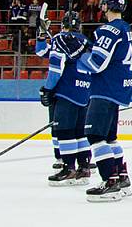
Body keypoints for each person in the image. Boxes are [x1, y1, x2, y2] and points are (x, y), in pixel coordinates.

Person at [77, 0, 132, 202]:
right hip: (119, 88)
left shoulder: (108, 29)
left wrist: (80, 55)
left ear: (105, 6)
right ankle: (122, 177)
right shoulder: (125, 27)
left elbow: (96, 63)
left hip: (105, 89)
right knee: (110, 137)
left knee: (95, 136)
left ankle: (109, 180)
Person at [36, 12, 93, 186]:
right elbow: (42, 51)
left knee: (64, 131)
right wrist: (42, 35)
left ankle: (69, 169)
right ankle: (84, 167)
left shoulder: (60, 40)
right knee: (80, 132)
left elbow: (55, 68)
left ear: (63, 25)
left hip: (67, 91)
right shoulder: (86, 41)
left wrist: (47, 89)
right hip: (85, 92)